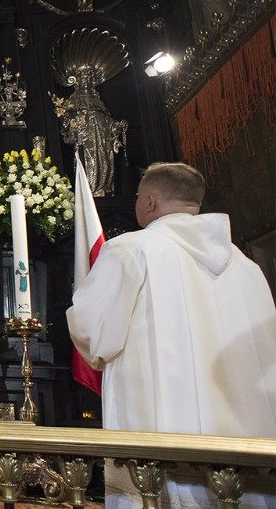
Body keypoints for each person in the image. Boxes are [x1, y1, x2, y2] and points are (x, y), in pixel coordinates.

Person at [67, 162, 276, 508]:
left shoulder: (131, 250)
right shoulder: (246, 266)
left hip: (162, 437)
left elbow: (92, 331)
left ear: (149, 201)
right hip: (246, 451)